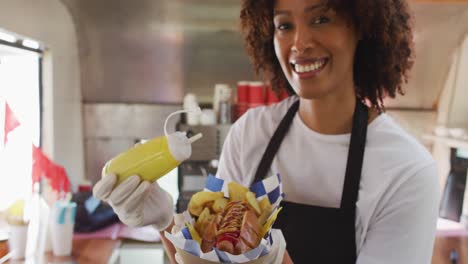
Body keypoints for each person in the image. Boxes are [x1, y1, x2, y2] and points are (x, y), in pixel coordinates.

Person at [93, 0, 440, 263]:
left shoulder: (407, 171)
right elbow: (212, 255)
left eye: (321, 18)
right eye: (284, 25)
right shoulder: (251, 133)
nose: (299, 42)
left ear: (362, 25)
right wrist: (166, 221)